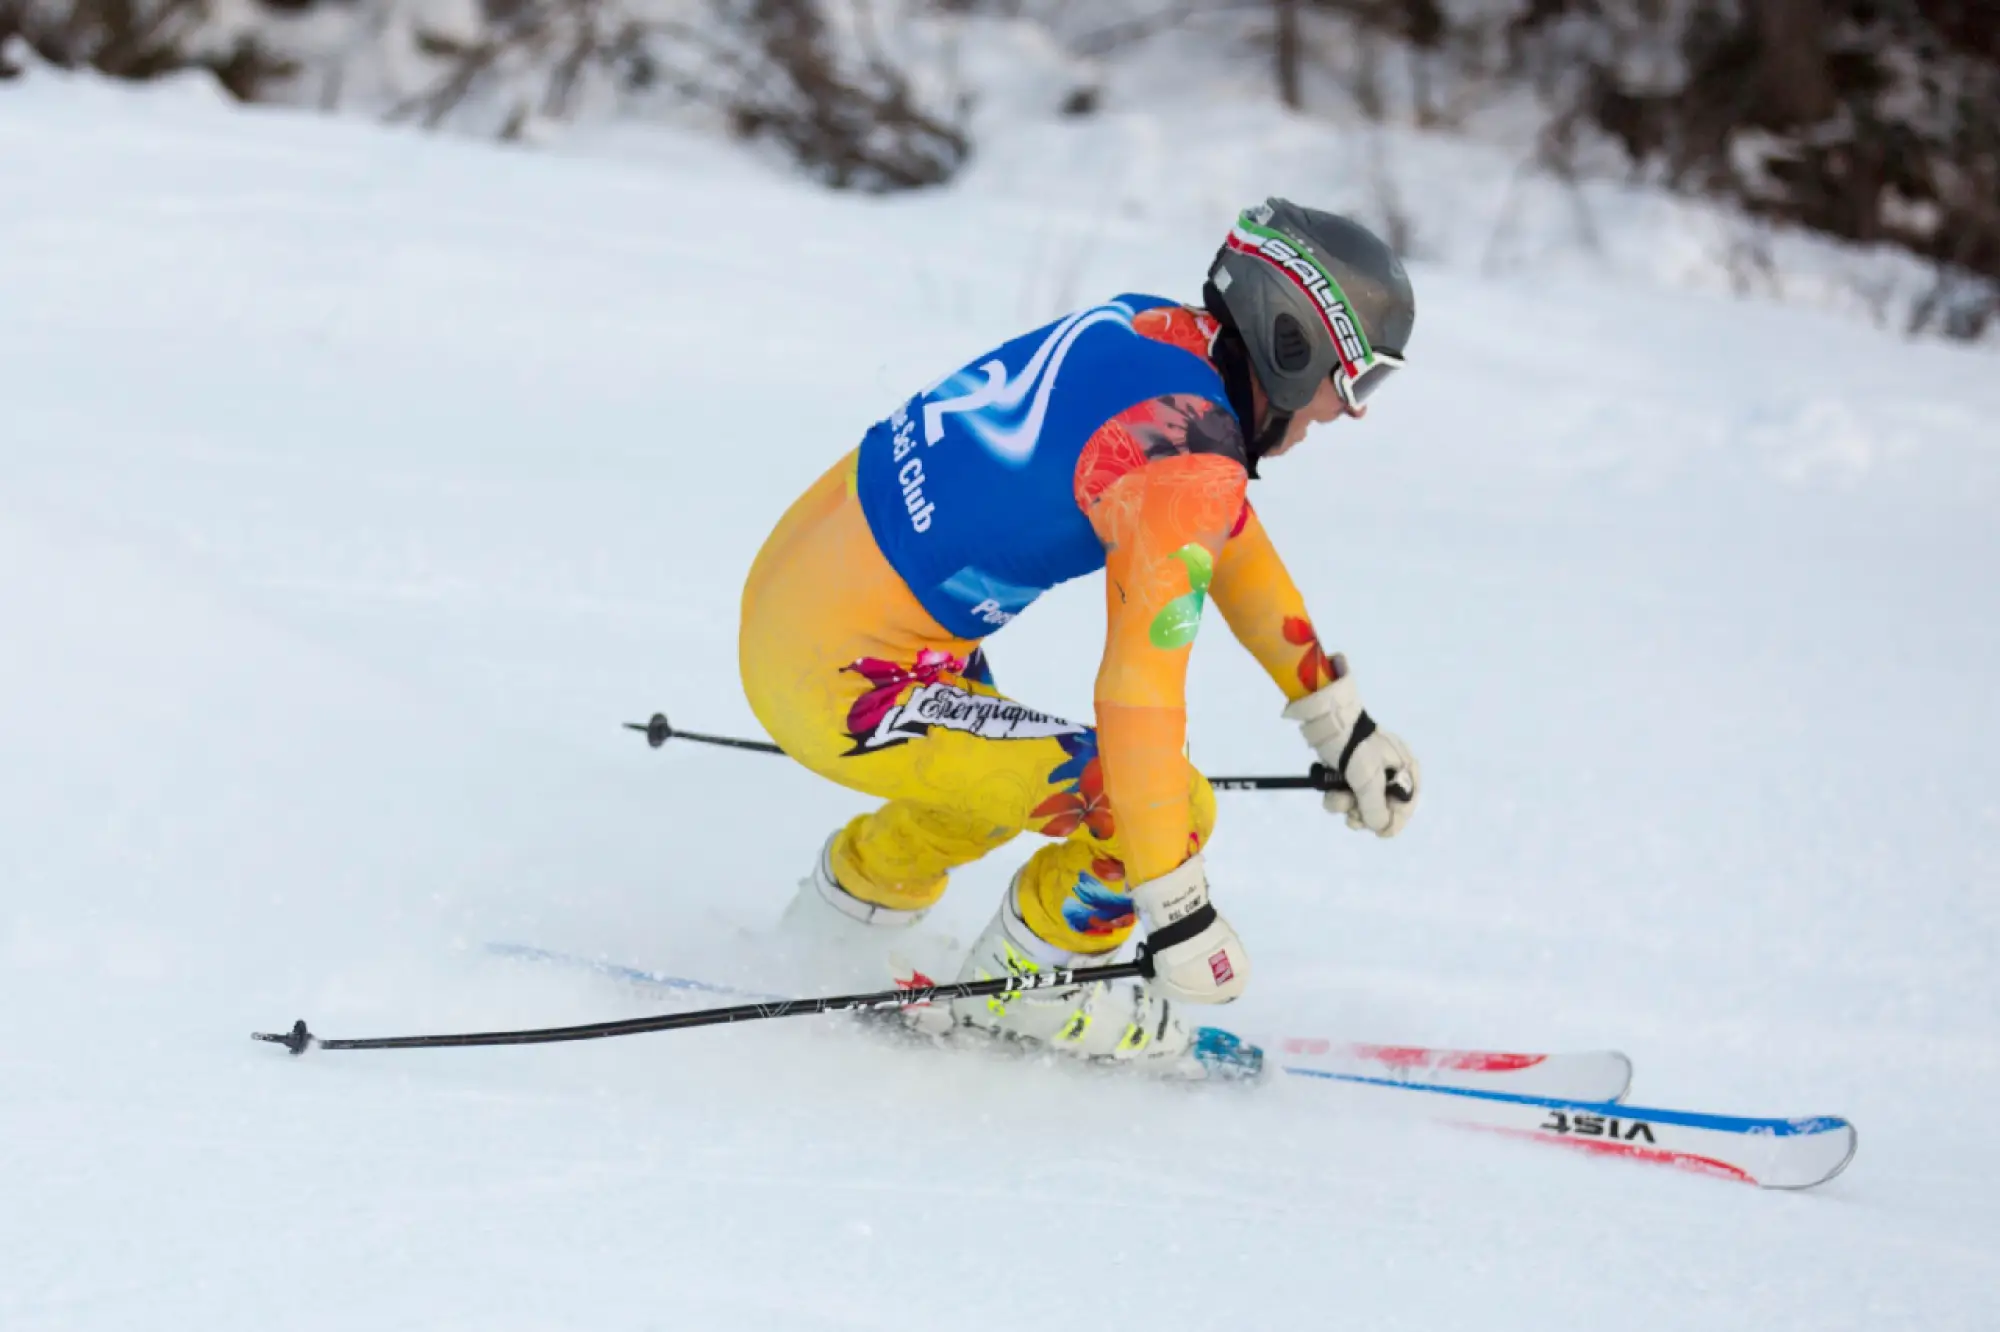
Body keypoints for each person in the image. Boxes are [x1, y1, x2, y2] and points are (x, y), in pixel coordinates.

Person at [738, 199, 1420, 1072]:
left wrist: (1337, 718)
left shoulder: (1152, 333)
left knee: (993, 786)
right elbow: (1139, 692)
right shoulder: (1187, 463)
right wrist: (1177, 908)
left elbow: (1227, 539)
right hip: (847, 681)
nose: (1350, 412)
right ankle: (1040, 989)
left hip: (800, 610)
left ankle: (841, 925)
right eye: (1357, 380)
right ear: (1295, 346)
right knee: (1161, 806)